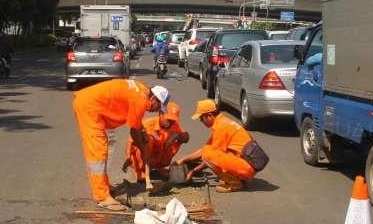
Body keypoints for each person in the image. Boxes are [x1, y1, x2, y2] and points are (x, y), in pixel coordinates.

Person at [73, 79, 171, 210]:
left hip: (89, 103)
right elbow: (134, 131)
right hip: (90, 108)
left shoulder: (141, 89)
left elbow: (135, 121)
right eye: (158, 106)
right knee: (97, 152)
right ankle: (102, 197)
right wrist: (143, 151)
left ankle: (104, 186)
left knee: (100, 148)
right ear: (154, 98)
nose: (156, 110)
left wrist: (142, 134)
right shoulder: (141, 101)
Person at [175, 99, 256, 193]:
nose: (201, 121)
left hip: (246, 168)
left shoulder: (221, 127)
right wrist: (183, 160)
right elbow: (205, 148)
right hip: (245, 164)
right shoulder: (222, 122)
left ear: (209, 115)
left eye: (201, 118)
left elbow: (210, 157)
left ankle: (235, 183)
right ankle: (237, 177)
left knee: (209, 154)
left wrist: (194, 171)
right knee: (208, 151)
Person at [123, 102, 190, 182]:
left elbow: (186, 137)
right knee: (148, 141)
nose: (170, 122)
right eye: (168, 119)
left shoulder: (174, 125)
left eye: (173, 120)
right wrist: (128, 158)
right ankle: (139, 171)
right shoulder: (148, 123)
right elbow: (130, 142)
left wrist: (175, 137)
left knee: (175, 142)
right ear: (160, 114)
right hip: (143, 156)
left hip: (156, 155)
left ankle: (159, 167)